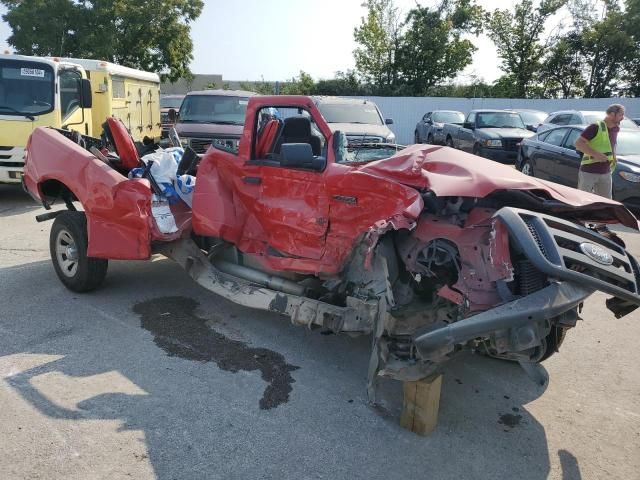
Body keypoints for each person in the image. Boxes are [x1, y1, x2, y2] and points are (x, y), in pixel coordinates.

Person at [574, 104, 625, 199]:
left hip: (606, 172)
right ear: (612, 114)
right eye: (621, 115)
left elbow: (613, 144)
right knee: (583, 200)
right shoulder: (595, 127)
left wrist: (614, 155)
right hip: (588, 172)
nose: (623, 118)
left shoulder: (616, 129)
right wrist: (596, 155)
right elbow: (578, 144)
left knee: (606, 203)